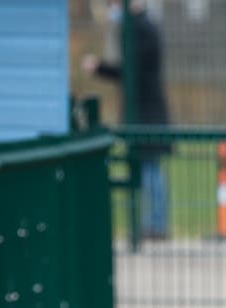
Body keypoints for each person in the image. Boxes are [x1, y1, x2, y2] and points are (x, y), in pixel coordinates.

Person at [82, 0, 171, 240]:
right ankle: (151, 223)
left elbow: (130, 70)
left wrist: (100, 67)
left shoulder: (143, 30)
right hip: (143, 113)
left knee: (151, 170)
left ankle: (156, 225)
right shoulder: (138, 29)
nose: (112, 9)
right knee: (146, 169)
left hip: (148, 114)